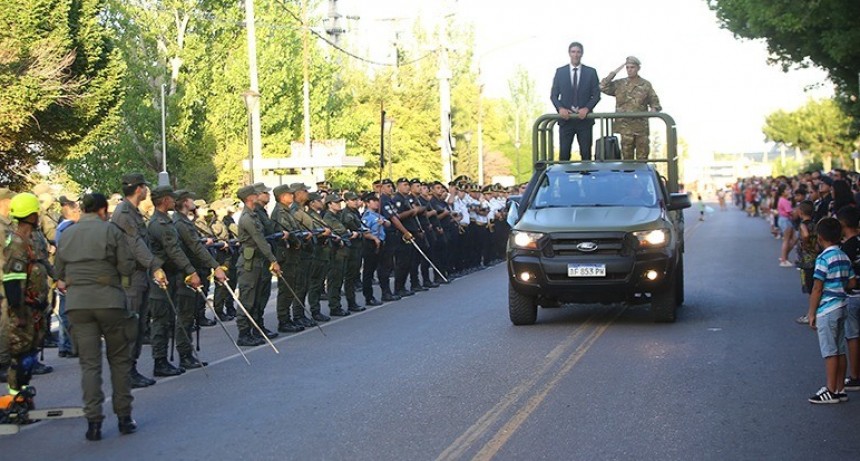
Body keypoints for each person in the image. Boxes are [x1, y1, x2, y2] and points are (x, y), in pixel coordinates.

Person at [54, 193, 138, 441]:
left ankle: (93, 423)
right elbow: (127, 267)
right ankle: (124, 417)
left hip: (78, 304)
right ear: (102, 210)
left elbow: (58, 270)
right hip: (109, 301)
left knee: (89, 365)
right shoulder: (110, 231)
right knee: (119, 361)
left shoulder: (68, 233)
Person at [111, 173, 164, 389]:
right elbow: (135, 244)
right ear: (139, 189)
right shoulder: (124, 213)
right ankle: (126, 373)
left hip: (138, 275)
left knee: (139, 324)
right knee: (131, 326)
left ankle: (131, 369)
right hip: (130, 277)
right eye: (145, 187)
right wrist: (155, 266)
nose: (147, 191)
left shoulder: (133, 211)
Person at [146, 186, 202, 375]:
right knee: (161, 320)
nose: (174, 201)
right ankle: (159, 362)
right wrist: (190, 271)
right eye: (171, 198)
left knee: (168, 318)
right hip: (162, 276)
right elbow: (173, 251)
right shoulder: (159, 224)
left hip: (170, 275)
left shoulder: (166, 221)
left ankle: (175, 357)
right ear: (163, 200)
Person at [1, 193, 51, 401]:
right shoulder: (17, 244)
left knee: (29, 354)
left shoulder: (31, 240)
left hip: (34, 309)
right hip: (23, 310)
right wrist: (19, 313)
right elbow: (13, 283)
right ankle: (15, 398)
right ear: (31, 215)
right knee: (20, 356)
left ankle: (22, 394)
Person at [172, 190, 227, 369]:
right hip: (186, 274)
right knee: (186, 316)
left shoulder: (184, 221)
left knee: (189, 315)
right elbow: (195, 247)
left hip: (192, 270)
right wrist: (215, 266)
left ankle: (187, 353)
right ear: (184, 202)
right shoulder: (181, 223)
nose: (193, 202)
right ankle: (185, 354)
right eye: (190, 199)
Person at [806, 217, 854, 404]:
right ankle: (840, 388)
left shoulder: (824, 258)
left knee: (830, 351)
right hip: (843, 304)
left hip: (828, 308)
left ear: (820, 237)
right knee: (841, 349)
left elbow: (817, 287)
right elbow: (851, 282)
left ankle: (831, 390)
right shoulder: (843, 256)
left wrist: (812, 312)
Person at [235, 185, 280, 345]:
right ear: (249, 198)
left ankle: (256, 328)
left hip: (258, 261)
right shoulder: (247, 217)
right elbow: (259, 239)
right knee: (247, 299)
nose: (258, 196)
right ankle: (244, 333)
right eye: (255, 195)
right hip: (250, 263)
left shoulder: (253, 215)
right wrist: (273, 259)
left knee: (259, 297)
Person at [599, 56, 662, 160]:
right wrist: (615, 71)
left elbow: (655, 102)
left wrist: (653, 110)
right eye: (627, 67)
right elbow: (602, 86)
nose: (629, 70)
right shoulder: (619, 84)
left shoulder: (645, 84)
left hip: (640, 127)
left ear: (638, 68)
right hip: (625, 128)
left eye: (632, 67)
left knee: (642, 158)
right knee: (627, 160)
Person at [550, 41, 601, 161]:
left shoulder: (591, 72)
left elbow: (597, 95)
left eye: (578, 52)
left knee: (586, 154)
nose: (576, 55)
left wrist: (587, 108)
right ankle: (564, 179)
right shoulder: (560, 72)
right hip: (566, 120)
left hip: (584, 120)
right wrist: (560, 109)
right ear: (569, 53)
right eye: (573, 52)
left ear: (582, 54)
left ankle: (586, 178)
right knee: (564, 155)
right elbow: (553, 95)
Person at [836, 206, 860, 392]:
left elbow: (845, 278)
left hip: (853, 296)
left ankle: (855, 376)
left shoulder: (845, 249)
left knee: (852, 336)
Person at [54, 195, 81, 358]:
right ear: (70, 211)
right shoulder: (68, 228)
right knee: (69, 312)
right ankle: (69, 345)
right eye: (77, 210)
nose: (80, 213)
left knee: (65, 311)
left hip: (65, 273)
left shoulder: (61, 228)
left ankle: (65, 345)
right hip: (70, 274)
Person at [360, 193, 386, 306]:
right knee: (368, 272)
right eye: (373, 201)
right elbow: (365, 232)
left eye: (377, 201)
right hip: (371, 244)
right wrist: (374, 238)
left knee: (382, 268)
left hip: (381, 243)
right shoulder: (367, 216)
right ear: (367, 203)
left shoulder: (378, 214)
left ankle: (385, 292)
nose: (376, 203)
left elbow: (388, 223)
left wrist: (384, 222)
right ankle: (368, 297)